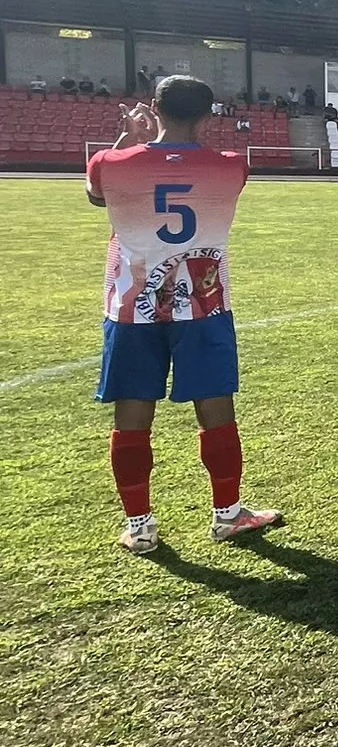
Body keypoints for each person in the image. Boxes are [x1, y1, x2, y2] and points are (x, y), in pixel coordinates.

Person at [87, 78, 280, 555]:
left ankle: (140, 525)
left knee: (132, 415)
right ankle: (228, 514)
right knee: (216, 411)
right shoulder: (233, 166)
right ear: (209, 114)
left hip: (132, 306)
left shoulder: (108, 164)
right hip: (204, 303)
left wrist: (130, 141)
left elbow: (96, 197)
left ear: (154, 108)